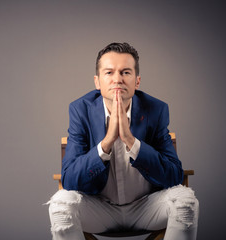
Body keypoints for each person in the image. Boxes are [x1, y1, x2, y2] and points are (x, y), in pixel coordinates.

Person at [47, 42, 199, 240]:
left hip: (146, 207)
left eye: (125, 72)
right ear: (97, 81)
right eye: (109, 73)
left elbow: (174, 176)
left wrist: (131, 141)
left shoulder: (156, 109)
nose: (117, 79)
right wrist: (107, 142)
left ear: (137, 81)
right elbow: (70, 180)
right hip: (99, 209)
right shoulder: (80, 110)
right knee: (61, 204)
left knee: (186, 202)